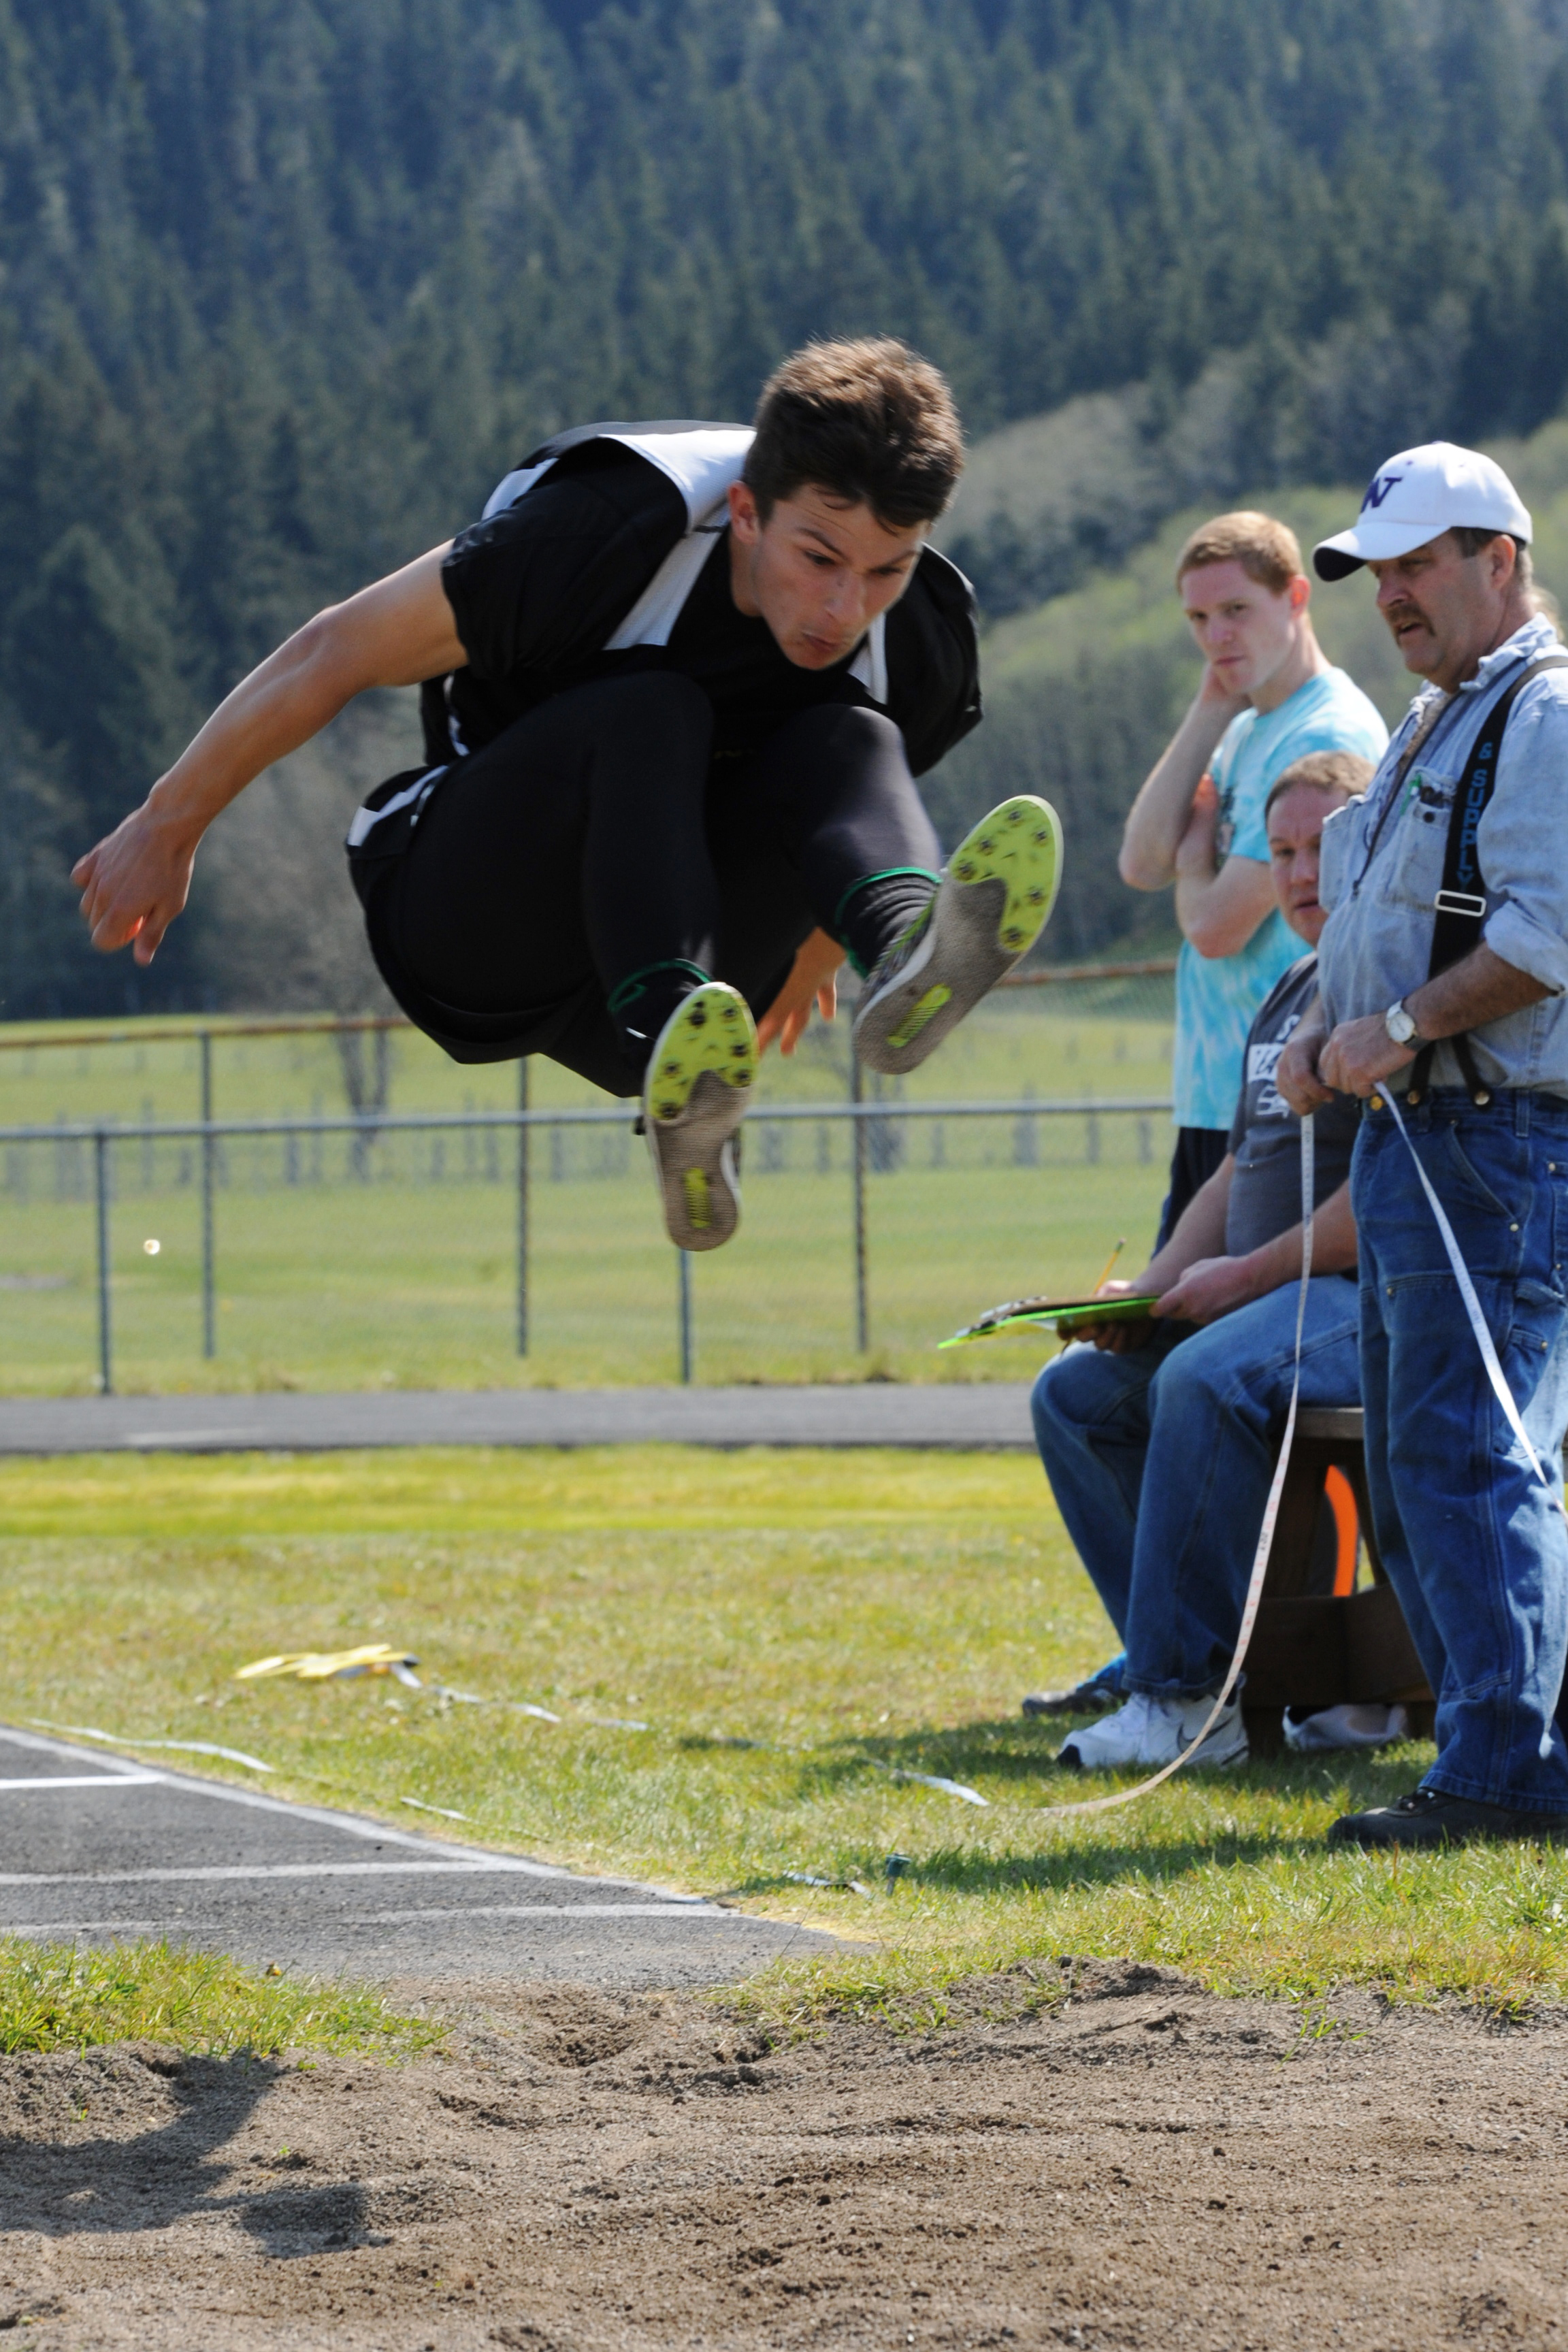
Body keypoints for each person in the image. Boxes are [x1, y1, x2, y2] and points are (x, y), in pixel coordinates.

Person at [71, 339, 1062, 1253]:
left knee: (851, 731)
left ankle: (805, 1010)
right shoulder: (609, 528)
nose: (847, 608)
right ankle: (675, 1023)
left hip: (678, 946)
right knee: (651, 710)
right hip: (475, 921)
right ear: (748, 514)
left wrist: (810, 960)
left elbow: (841, 812)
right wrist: (168, 823)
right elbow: (333, 650)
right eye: (818, 559)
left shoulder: (920, 638)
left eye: (886, 570)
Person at [1278, 441, 1568, 1850]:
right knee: (1417, 1468)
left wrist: (1390, 1024)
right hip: (1420, 1139)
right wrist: (1314, 1028)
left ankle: (1510, 1768)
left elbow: (1546, 936)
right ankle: (1487, 1753)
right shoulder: (1430, 721)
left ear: (1498, 560)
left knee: (1471, 1456)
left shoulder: (1547, 716)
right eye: (1373, 570)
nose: (1388, 592)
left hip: (1499, 1138)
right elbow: (1375, 921)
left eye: (1414, 562)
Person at [1028, 752, 1375, 1771]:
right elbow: (1238, 1169)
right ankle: (1196, 1657)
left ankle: (1185, 1706)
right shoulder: (1288, 993)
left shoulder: (1386, 986)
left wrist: (1243, 1281)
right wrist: (1154, 1284)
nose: (1303, 871)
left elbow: (1389, 1198)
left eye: (1325, 846)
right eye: (1283, 852)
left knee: (1202, 1375)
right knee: (1078, 1393)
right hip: (1264, 1296)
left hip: (1360, 1301)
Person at [1120, 512, 1387, 1251]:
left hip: (1284, 1092)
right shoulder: (1244, 728)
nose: (1217, 636)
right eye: (1199, 618)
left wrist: (1195, 854)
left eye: (1237, 610)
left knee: (1222, 1338)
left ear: (1296, 597)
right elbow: (1141, 862)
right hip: (1217, 1095)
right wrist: (1210, 710)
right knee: (1174, 1329)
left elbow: (1212, 927)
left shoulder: (1323, 734)